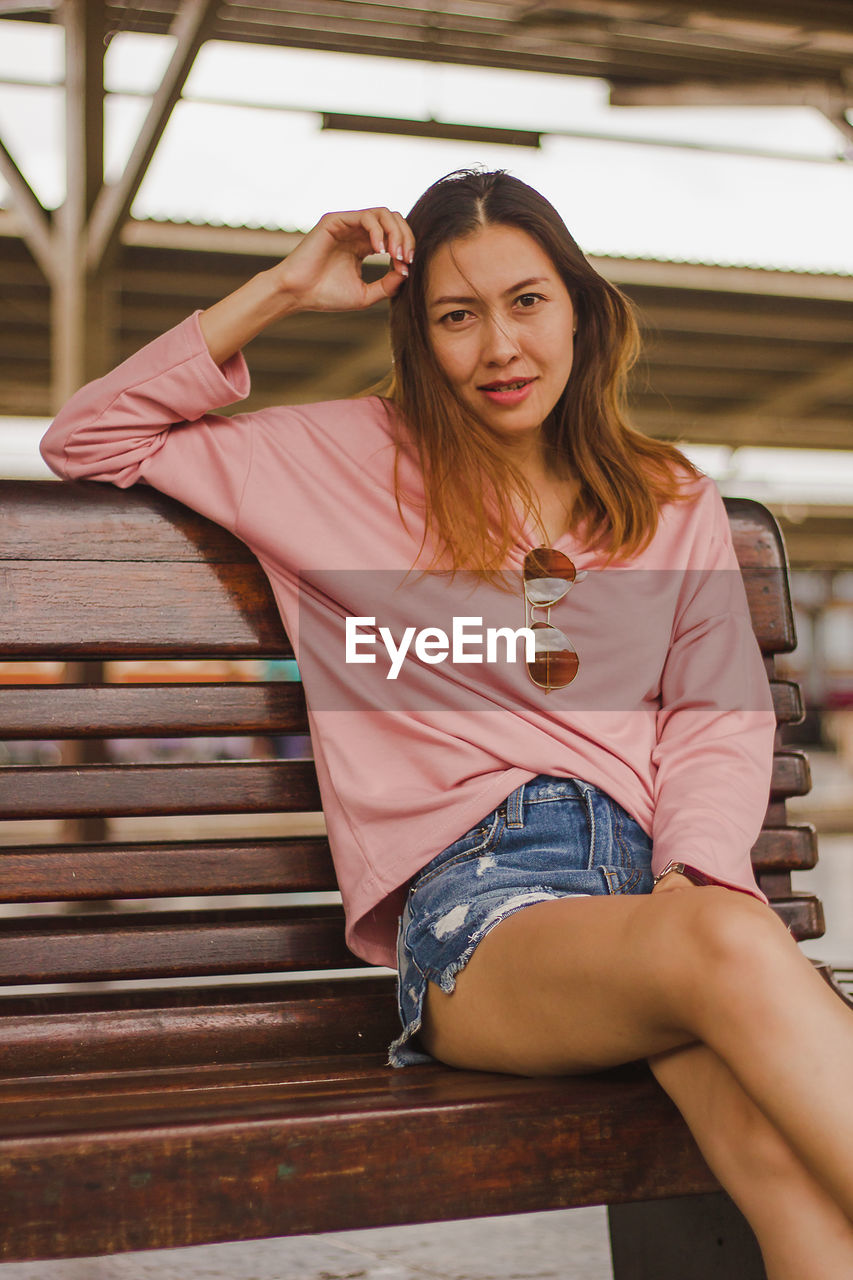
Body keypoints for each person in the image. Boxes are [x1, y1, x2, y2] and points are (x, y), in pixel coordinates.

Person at [41, 168, 853, 1277]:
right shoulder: (346, 461)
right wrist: (285, 285)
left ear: (579, 306)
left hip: (655, 911)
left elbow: (714, 718)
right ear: (418, 338)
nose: (500, 347)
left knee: (775, 1153)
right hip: (486, 919)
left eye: (526, 301)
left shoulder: (665, 496)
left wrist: (688, 872)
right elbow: (91, 436)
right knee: (729, 940)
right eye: (456, 317)